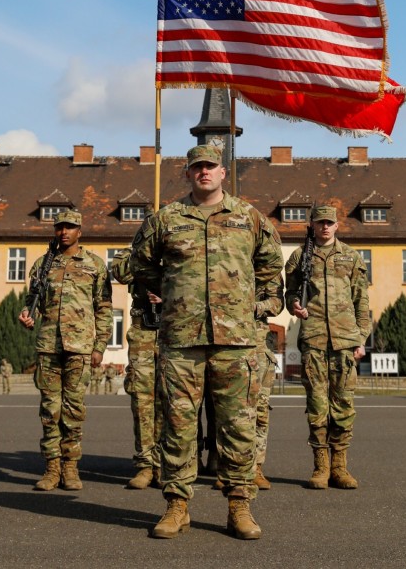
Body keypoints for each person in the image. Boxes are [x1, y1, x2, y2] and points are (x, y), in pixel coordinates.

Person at [130, 143, 283, 540]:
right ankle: (177, 506)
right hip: (181, 338)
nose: (204, 172)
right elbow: (141, 264)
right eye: (197, 167)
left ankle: (239, 506)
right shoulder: (166, 219)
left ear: (222, 172)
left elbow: (270, 265)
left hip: (236, 340)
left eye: (210, 166)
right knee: (178, 425)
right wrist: (164, 296)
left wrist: (260, 304)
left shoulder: (248, 217)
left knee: (238, 425)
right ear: (187, 173)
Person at [19, 209, 112, 491]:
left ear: (80, 231)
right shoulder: (43, 264)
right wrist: (26, 314)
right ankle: (52, 467)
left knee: (73, 410)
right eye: (60, 227)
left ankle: (70, 468)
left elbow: (104, 308)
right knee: (50, 410)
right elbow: (31, 299)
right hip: (49, 345)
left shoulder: (95, 265)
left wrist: (100, 346)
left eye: (70, 227)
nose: (64, 232)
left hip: (80, 347)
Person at [285, 205, 370, 491]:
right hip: (314, 340)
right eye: (320, 222)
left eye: (329, 223)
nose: (325, 227)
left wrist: (361, 338)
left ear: (337, 226)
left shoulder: (351, 256)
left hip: (345, 341)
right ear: (312, 224)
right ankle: (321, 466)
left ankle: (340, 467)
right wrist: (294, 305)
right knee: (317, 406)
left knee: (344, 406)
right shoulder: (299, 256)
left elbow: (362, 301)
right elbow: (291, 293)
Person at [112, 248, 163, 491]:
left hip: (175, 331)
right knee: (142, 400)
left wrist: (169, 294)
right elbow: (120, 272)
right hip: (143, 331)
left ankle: (165, 464)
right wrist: (146, 256)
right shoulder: (131, 253)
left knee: (171, 401)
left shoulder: (181, 249)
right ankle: (145, 463)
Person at [252, 274, 284, 490]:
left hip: (258, 345)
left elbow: (277, 303)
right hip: (226, 343)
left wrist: (254, 307)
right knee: (227, 412)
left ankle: (256, 468)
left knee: (260, 411)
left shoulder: (267, 264)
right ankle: (228, 468)